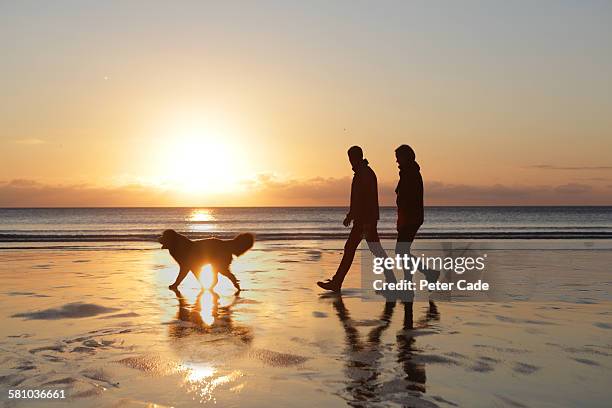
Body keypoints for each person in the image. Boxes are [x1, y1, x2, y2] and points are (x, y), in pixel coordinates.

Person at [317, 146, 395, 292]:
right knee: (374, 250)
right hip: (365, 220)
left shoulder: (364, 174)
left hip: (365, 221)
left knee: (352, 248)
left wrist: (364, 221)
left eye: (351, 158)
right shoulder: (362, 173)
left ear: (356, 157)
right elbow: (358, 199)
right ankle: (391, 281)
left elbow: (365, 200)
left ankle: (337, 282)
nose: (350, 162)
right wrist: (351, 215)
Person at [395, 144, 439, 284]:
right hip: (409, 217)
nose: (396, 161)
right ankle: (414, 278)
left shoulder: (410, 173)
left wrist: (403, 219)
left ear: (405, 157)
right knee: (403, 251)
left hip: (410, 218)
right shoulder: (409, 172)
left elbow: (408, 198)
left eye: (398, 158)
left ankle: (427, 274)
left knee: (401, 251)